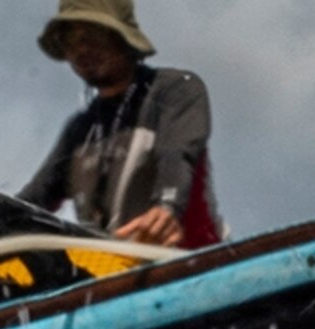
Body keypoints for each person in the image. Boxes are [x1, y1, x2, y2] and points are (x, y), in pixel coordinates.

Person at [19, 0, 222, 249]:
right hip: (114, 277)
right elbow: (32, 201)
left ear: (122, 38)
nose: (82, 49)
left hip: (192, 263)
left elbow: (176, 157)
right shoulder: (80, 131)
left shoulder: (174, 91)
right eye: (71, 39)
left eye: (93, 35)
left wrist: (167, 207)